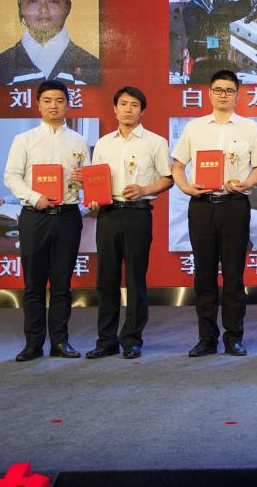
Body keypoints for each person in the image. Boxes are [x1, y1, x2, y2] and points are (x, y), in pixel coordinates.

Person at [171, 69, 257, 357]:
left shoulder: (250, 128)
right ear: (209, 93)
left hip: (235, 205)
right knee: (204, 274)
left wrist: (247, 183)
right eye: (218, 89)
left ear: (238, 94)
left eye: (229, 90)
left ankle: (234, 337)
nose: (223, 95)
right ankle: (207, 338)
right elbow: (177, 165)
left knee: (234, 275)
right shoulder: (194, 127)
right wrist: (185, 187)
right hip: (202, 205)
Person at [3, 79, 89, 361]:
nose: (54, 106)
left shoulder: (78, 141)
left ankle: (60, 342)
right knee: (34, 284)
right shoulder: (24, 140)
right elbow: (11, 176)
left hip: (68, 216)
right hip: (35, 216)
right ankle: (33, 344)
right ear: (38, 105)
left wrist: (84, 180)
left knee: (62, 284)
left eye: (60, 101)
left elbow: (89, 179)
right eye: (48, 101)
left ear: (68, 104)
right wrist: (33, 196)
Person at [84, 87, 173, 360]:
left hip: (138, 213)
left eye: (134, 105)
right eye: (123, 104)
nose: (128, 109)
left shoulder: (155, 142)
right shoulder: (103, 144)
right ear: (114, 109)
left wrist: (144, 189)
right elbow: (95, 178)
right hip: (108, 214)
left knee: (135, 279)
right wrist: (93, 196)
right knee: (106, 279)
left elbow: (168, 179)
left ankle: (132, 339)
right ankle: (106, 340)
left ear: (142, 110)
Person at [180, 0, 257, 84]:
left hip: (222, 63)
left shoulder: (216, 5)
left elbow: (244, 8)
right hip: (203, 68)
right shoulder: (190, 9)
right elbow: (204, 29)